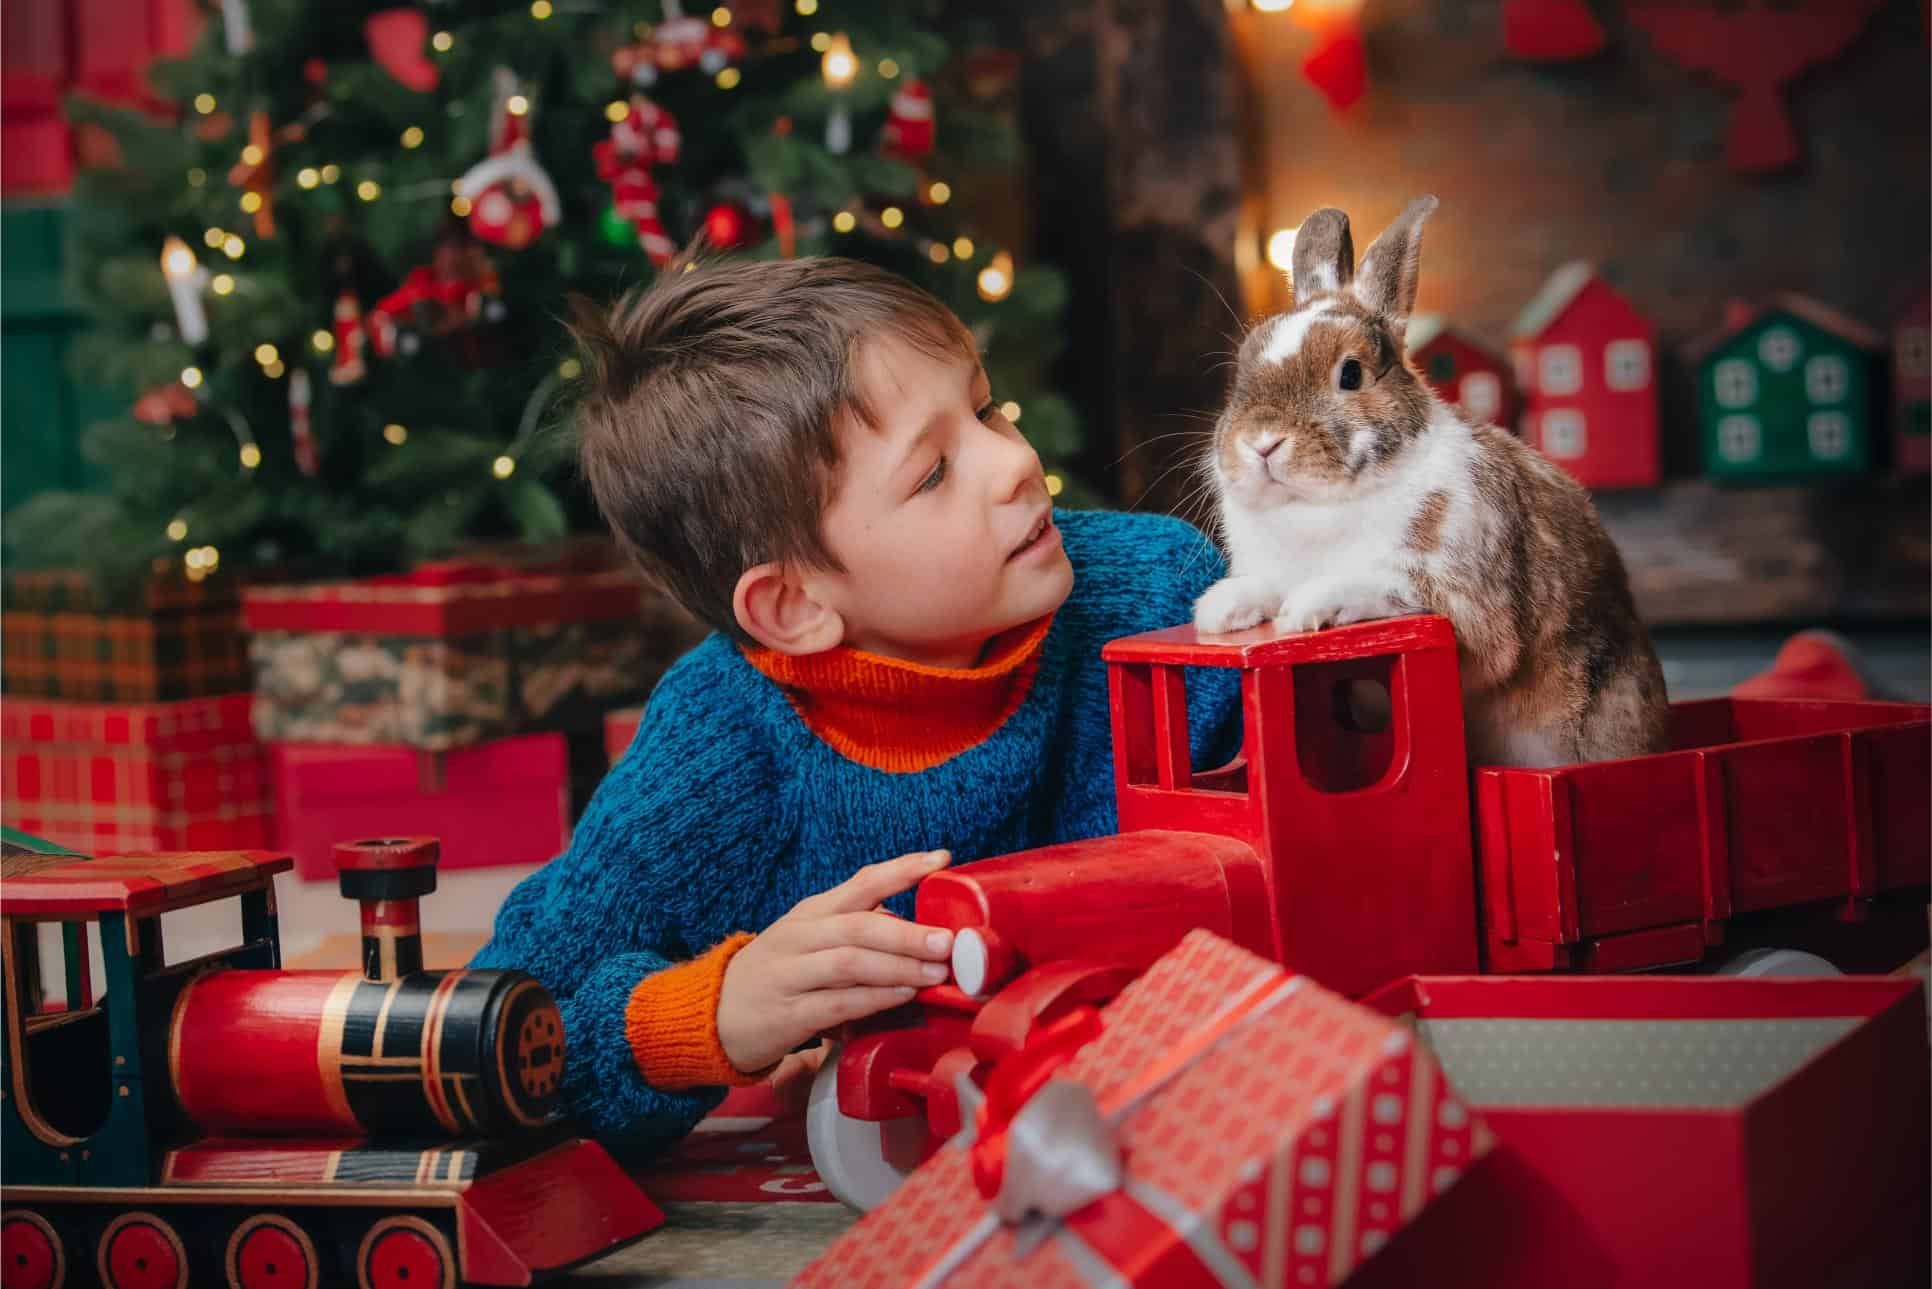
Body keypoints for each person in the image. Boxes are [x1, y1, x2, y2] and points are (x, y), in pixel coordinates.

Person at [468, 255, 1242, 1153]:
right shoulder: (714, 757)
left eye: (987, 408)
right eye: (933, 473)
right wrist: (710, 1015)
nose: (1017, 461)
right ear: (795, 605)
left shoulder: (1164, 592)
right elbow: (487, 1042)